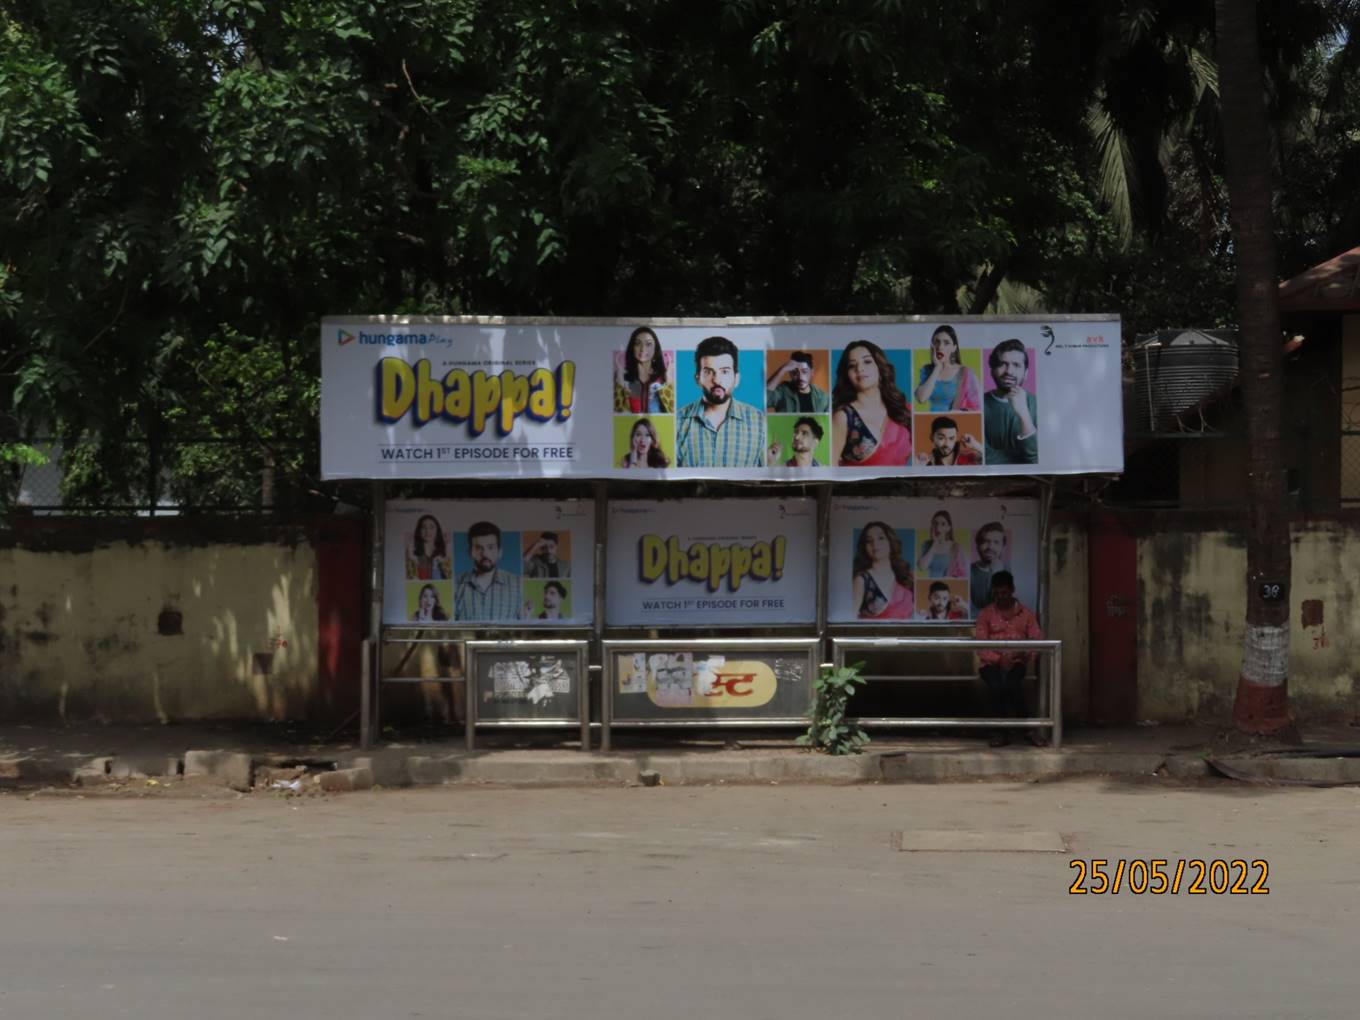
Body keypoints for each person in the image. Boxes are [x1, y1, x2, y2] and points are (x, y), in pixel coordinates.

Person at [973, 570, 1044, 747]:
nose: (1001, 597)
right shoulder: (986, 614)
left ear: (1012, 590)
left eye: (1004, 593)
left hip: (1016, 662)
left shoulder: (1026, 614)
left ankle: (1027, 730)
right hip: (990, 663)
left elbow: (1037, 641)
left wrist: (1024, 654)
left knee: (1013, 684)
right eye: (997, 593)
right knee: (996, 686)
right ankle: (1000, 732)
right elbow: (981, 646)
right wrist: (999, 660)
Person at [675, 336, 766, 467]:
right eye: (708, 372)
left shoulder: (759, 422)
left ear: (736, 378)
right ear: (698, 379)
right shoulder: (677, 422)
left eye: (725, 371)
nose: (717, 380)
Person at [832, 340, 913, 467]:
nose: (859, 368)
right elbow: (830, 468)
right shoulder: (844, 417)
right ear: (847, 375)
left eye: (867, 361)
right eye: (852, 365)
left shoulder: (905, 410)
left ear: (880, 368)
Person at [454, 521, 527, 621]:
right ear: (470, 552)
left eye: (490, 547)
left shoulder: (518, 584)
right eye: (478, 548)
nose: (485, 554)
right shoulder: (455, 585)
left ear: (500, 552)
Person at [984, 339, 1038, 464]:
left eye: (1016, 365)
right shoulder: (978, 404)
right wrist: (1021, 459)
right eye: (1003, 364)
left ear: (1026, 373)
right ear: (992, 372)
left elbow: (1036, 459)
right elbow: (984, 458)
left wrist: (1024, 414)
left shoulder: (1038, 404)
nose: (1009, 371)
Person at [851, 521, 915, 620]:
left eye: (881, 538)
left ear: (890, 542)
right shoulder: (862, 580)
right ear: (864, 547)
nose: (875, 544)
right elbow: (850, 620)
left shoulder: (906, 574)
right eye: (869, 541)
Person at [914, 325, 981, 411]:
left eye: (946, 343)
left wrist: (960, 412)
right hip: (931, 418)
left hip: (956, 419)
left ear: (954, 348)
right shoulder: (927, 370)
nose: (940, 347)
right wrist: (937, 368)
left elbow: (976, 408)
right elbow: (921, 398)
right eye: (937, 342)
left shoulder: (965, 373)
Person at [614, 326, 674, 414]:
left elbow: (672, 410)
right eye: (637, 344)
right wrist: (619, 380)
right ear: (632, 347)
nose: (642, 349)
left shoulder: (663, 377)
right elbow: (616, 410)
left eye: (648, 344)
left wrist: (669, 381)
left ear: (655, 348)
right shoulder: (624, 376)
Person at [766, 351, 830, 413]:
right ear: (790, 374)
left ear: (812, 372)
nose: (800, 377)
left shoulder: (821, 396)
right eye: (794, 372)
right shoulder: (783, 391)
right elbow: (765, 400)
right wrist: (783, 369)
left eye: (804, 372)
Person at [969, 522, 1009, 615]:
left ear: (1003, 547)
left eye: (996, 542)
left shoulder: (1011, 573)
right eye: (985, 542)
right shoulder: (968, 571)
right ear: (977, 547)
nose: (990, 547)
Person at [916, 509, 967, 578]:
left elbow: (962, 574)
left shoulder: (956, 546)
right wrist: (934, 544)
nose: (938, 527)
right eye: (935, 523)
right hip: (930, 583)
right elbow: (922, 567)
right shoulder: (927, 544)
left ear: (948, 528)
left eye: (943, 524)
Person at [916, 415, 983, 467]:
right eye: (941, 438)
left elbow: (985, 461)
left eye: (951, 438)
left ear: (956, 438)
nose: (947, 444)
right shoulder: (926, 462)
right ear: (932, 438)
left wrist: (975, 445)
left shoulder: (968, 457)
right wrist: (920, 468)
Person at [405, 514, 451, 580]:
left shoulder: (444, 553)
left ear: (437, 530)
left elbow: (448, 577)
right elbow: (410, 577)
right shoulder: (413, 554)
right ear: (419, 530)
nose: (427, 531)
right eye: (423, 527)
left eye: (431, 527)